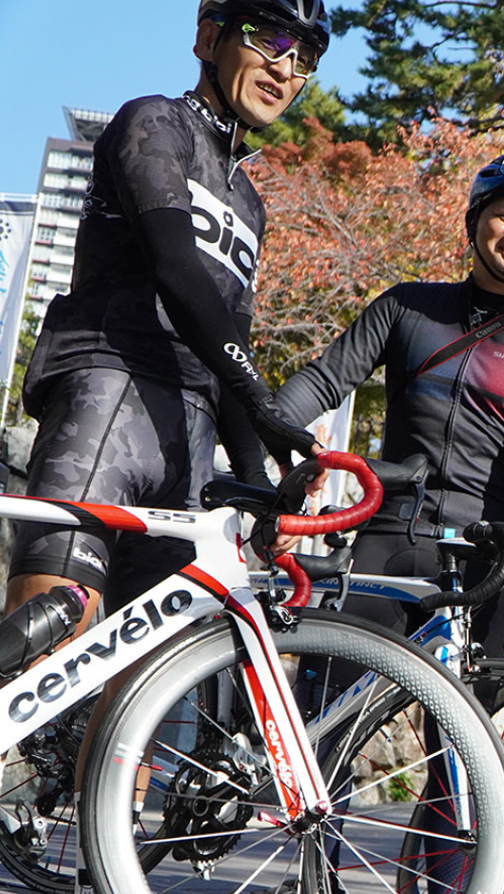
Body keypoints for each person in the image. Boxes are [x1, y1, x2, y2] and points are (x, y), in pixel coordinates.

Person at [7, 0, 326, 635]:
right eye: (268, 38)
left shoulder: (250, 203)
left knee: (150, 694)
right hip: (109, 390)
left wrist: (257, 476)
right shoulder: (155, 122)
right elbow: (174, 264)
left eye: (304, 56)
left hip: (194, 437)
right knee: (44, 640)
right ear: (209, 37)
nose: (285, 67)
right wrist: (265, 402)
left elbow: (228, 336)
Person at [276, 153, 504, 652]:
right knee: (329, 708)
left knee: (465, 725)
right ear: (473, 223)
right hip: (391, 534)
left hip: (488, 552)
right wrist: (281, 440)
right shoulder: (407, 307)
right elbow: (325, 379)